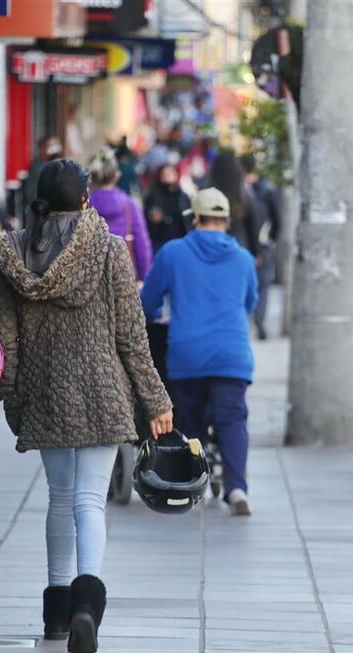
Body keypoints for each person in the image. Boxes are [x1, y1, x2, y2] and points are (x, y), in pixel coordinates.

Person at [0, 159, 172, 653]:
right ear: (86, 201)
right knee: (90, 501)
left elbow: (2, 338)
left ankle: (55, 614)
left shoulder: (16, 256)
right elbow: (132, 337)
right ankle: (87, 606)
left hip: (45, 392)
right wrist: (155, 399)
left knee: (59, 498)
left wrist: (10, 396)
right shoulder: (111, 251)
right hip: (103, 391)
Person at [140, 188, 258, 516]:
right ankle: (236, 488)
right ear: (227, 222)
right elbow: (250, 303)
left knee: (189, 420)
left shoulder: (173, 253)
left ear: (194, 218)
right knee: (232, 419)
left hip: (187, 354)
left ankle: (194, 484)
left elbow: (146, 303)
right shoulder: (245, 259)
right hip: (232, 356)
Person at [87, 147, 153, 281]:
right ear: (117, 176)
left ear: (91, 178)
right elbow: (141, 244)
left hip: (91, 277)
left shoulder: (85, 205)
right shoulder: (129, 205)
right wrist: (144, 276)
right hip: (123, 277)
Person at [241, 155, 282, 340]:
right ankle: (255, 317)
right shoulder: (245, 192)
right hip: (249, 247)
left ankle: (258, 318)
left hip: (260, 245)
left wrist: (269, 239)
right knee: (257, 285)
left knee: (262, 284)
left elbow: (277, 221)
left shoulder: (265, 191)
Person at [205, 150, 258, 256]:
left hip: (210, 248)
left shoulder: (206, 195)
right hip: (238, 247)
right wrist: (255, 252)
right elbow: (252, 228)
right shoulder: (245, 196)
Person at [143, 163, 191, 253]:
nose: (168, 176)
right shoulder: (152, 196)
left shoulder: (183, 197)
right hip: (158, 241)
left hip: (179, 240)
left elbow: (188, 218)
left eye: (171, 173)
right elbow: (145, 217)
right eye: (165, 174)